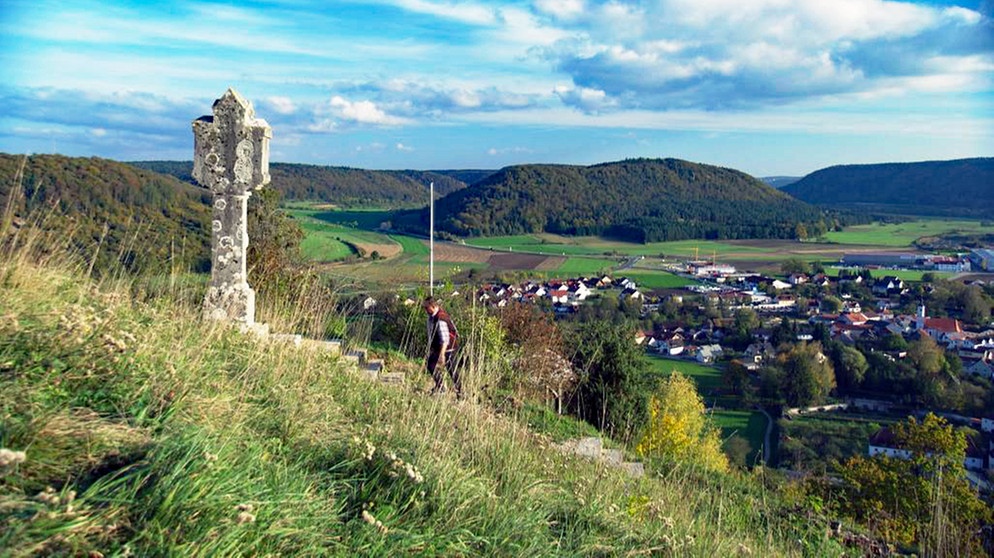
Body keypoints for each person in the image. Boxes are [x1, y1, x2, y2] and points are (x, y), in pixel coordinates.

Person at [423, 296, 462, 398]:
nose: (425, 310)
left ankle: (460, 393)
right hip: (438, 346)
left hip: (449, 347)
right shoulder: (431, 317)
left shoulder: (440, 319)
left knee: (452, 370)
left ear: (433, 306)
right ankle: (440, 387)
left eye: (427, 308)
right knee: (430, 364)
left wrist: (442, 355)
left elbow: (445, 339)